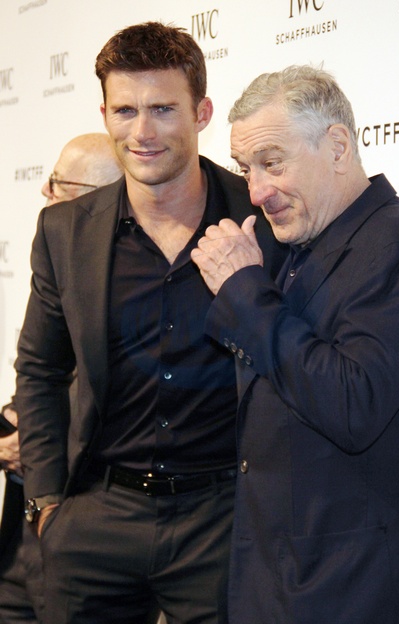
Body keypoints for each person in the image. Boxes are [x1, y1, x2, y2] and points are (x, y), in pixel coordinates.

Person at [14, 22, 286, 624]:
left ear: (202, 112)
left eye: (163, 109)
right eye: (125, 110)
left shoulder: (262, 218)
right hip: (96, 516)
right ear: (105, 114)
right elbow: (39, 369)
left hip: (224, 518)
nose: (142, 132)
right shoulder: (65, 230)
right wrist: (47, 503)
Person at [191, 65, 399, 623]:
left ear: (337, 146)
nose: (256, 191)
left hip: (360, 587)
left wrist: (245, 293)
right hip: (281, 578)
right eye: (245, 169)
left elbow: (353, 404)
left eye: (272, 163)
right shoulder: (293, 250)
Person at [0, 132, 123, 624]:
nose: (45, 192)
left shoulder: (133, 284)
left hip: (82, 534)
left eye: (57, 183)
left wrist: (35, 441)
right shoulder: (54, 267)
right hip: (21, 530)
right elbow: (37, 376)